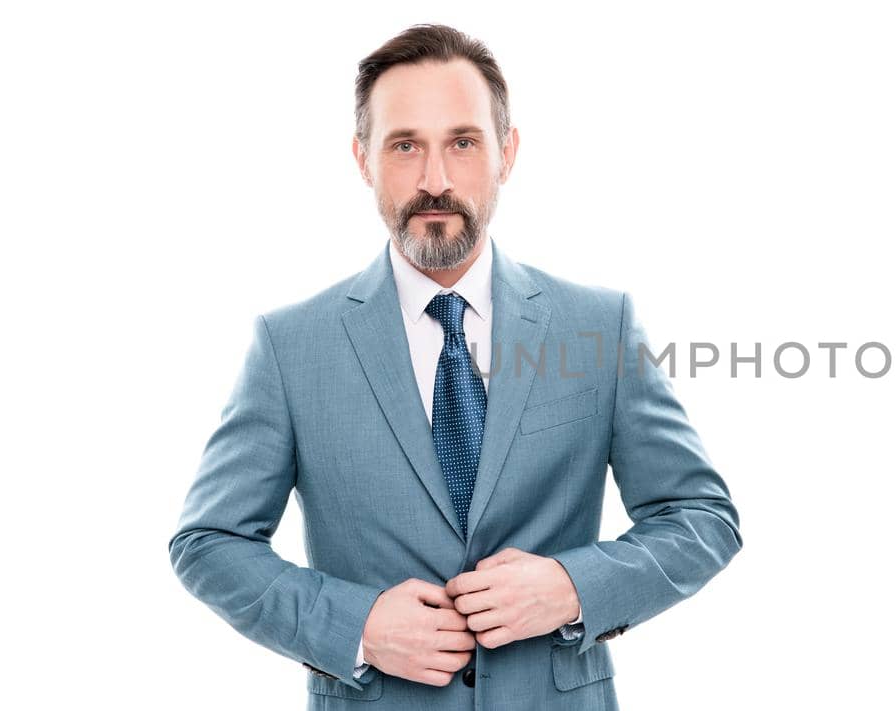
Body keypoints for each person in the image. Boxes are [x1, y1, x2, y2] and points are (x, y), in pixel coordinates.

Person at [167, 24, 742, 710]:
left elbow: (702, 517)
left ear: (507, 153)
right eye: (405, 145)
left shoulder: (598, 326)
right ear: (362, 159)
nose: (435, 180)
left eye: (462, 143)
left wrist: (571, 586)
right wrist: (358, 627)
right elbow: (209, 541)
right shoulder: (291, 346)